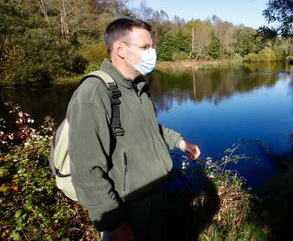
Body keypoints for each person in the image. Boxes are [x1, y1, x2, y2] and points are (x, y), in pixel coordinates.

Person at [67, 18, 201, 240]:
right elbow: (86, 171)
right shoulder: (93, 94)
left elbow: (149, 128)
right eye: (145, 47)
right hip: (125, 208)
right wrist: (115, 224)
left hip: (153, 196)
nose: (152, 53)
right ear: (120, 49)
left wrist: (180, 142)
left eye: (152, 46)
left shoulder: (139, 86)